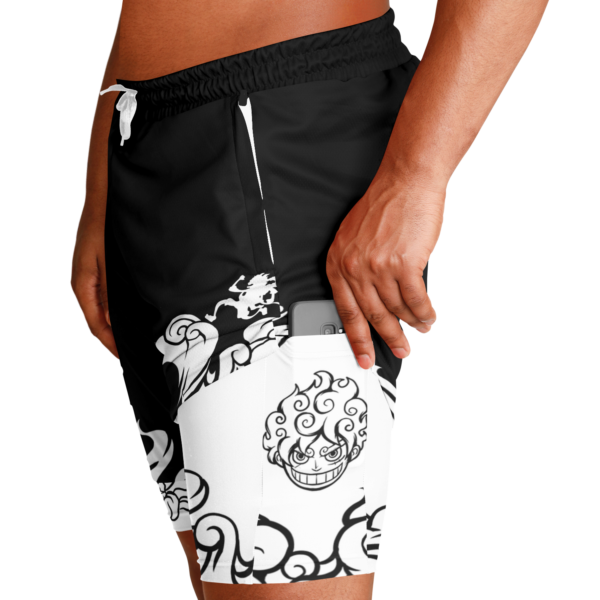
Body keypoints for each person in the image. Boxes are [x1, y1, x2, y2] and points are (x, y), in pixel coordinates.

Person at [71, 1, 549, 598]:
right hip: (149, 143)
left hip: (281, 137)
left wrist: (416, 177)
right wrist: (100, 186)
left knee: (283, 579)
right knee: (226, 577)